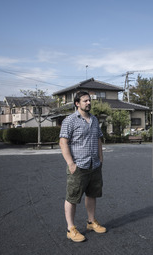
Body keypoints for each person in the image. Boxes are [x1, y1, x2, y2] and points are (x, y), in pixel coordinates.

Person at [59, 91, 106, 243]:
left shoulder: (94, 119)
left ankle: (91, 222)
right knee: (72, 197)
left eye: (89, 100)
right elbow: (63, 142)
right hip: (78, 166)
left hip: (94, 164)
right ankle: (70, 228)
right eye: (85, 101)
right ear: (77, 103)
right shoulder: (70, 120)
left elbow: (99, 139)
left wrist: (100, 157)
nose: (88, 103)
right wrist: (71, 164)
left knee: (92, 194)